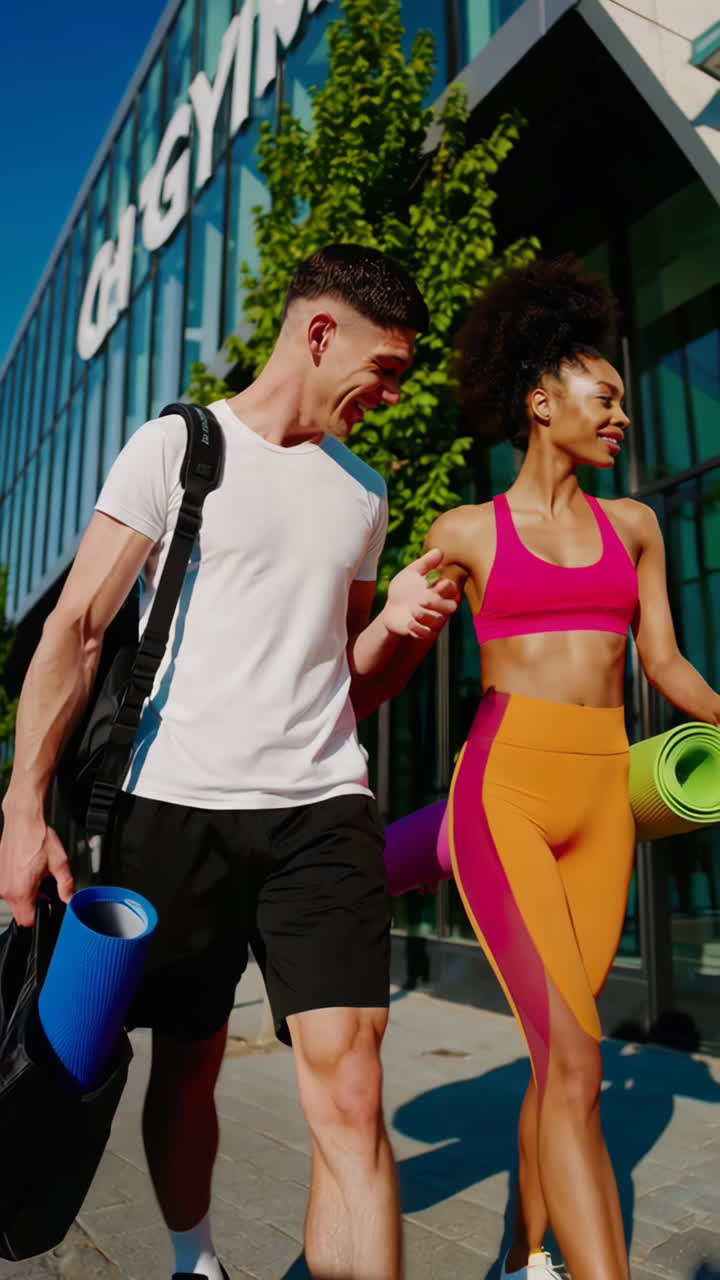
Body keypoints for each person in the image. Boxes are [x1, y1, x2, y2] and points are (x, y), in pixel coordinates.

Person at [0, 244, 459, 1280]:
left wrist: (395, 626)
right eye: (384, 368)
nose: (391, 393)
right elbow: (75, 629)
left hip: (320, 810)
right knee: (190, 1059)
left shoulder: (363, 492)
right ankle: (194, 1259)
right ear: (319, 331)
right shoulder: (180, 445)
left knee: (350, 1089)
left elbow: (348, 682)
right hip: (171, 808)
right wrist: (23, 806)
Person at [426, 257, 720, 1280]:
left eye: (629, 404)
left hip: (606, 800)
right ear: (542, 400)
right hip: (504, 789)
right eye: (607, 398)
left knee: (565, 1059)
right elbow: (370, 644)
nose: (623, 418)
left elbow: (667, 664)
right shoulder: (462, 533)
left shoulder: (633, 526)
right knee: (580, 1056)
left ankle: (522, 1250)